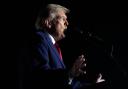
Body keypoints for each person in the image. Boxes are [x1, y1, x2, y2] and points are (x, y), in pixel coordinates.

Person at [28, 3, 105, 89]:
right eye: (63, 19)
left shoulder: (54, 47)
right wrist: (69, 74)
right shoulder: (39, 38)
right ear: (48, 23)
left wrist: (92, 85)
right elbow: (39, 75)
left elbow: (69, 84)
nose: (67, 23)